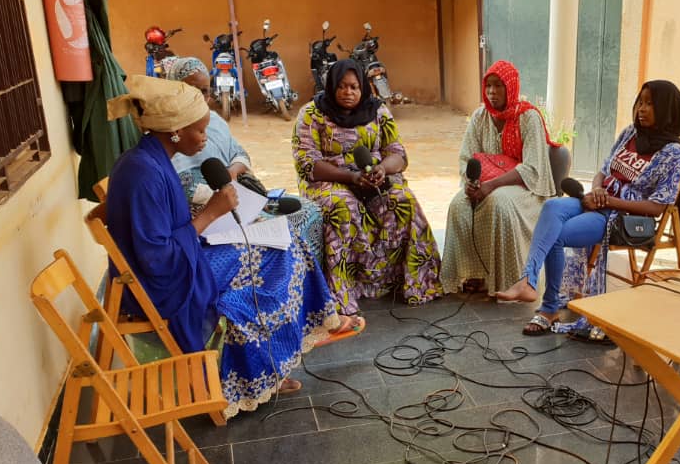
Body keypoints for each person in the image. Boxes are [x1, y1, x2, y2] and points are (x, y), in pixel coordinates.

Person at [106, 75, 356, 418]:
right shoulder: (143, 174)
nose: (205, 139)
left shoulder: (151, 158)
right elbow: (157, 258)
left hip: (181, 259)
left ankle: (288, 344)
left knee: (286, 244)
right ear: (174, 130)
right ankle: (261, 368)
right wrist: (210, 214)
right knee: (273, 262)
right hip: (166, 283)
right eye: (200, 131)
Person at [496, 80, 680, 337]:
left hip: (621, 217)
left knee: (557, 235)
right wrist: (598, 189)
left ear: (667, 109)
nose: (641, 109)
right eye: (640, 102)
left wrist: (608, 201)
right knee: (553, 206)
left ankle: (549, 307)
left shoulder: (673, 153)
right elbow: (603, 170)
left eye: (650, 104)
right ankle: (528, 280)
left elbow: (656, 207)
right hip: (598, 201)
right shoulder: (630, 134)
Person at [293, 59, 442, 321]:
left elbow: (398, 153)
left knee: (402, 200)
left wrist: (382, 169)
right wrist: (350, 177)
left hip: (372, 175)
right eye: (341, 86)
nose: (348, 92)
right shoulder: (311, 114)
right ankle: (344, 294)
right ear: (331, 87)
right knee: (344, 208)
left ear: (363, 88)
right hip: (329, 180)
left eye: (353, 87)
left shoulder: (378, 111)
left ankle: (414, 283)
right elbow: (307, 164)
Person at [163, 57, 326, 275]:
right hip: (212, 210)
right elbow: (182, 190)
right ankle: (280, 290)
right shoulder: (169, 131)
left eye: (204, 90)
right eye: (191, 90)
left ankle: (308, 289)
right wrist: (221, 197)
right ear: (175, 89)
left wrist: (231, 173)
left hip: (239, 193)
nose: (200, 97)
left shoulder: (215, 121)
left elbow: (239, 154)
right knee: (287, 228)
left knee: (310, 211)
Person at [440, 60, 558, 296]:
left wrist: (491, 186)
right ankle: (475, 273)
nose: (492, 92)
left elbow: (533, 168)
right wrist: (472, 185)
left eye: (498, 86)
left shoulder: (529, 117)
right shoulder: (479, 116)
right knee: (458, 206)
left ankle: (509, 281)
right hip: (486, 185)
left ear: (511, 87)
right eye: (488, 86)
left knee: (498, 203)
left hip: (526, 190)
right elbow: (466, 157)